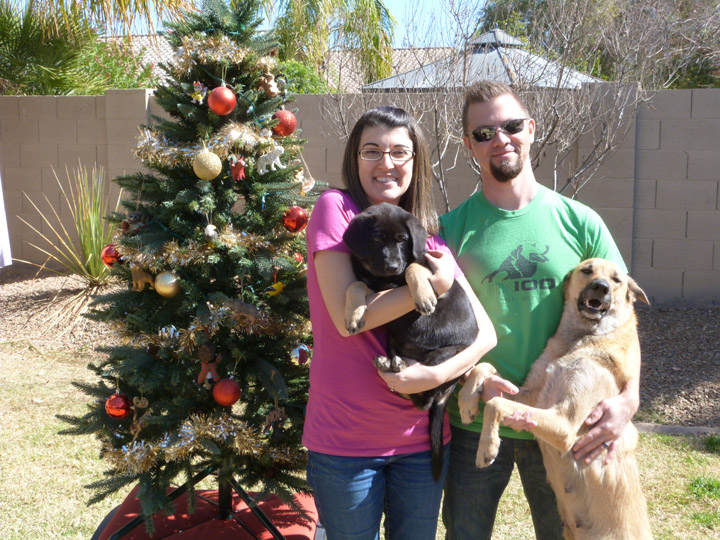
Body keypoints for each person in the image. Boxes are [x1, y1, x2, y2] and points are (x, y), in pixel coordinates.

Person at [439, 81, 639, 540]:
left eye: (511, 126)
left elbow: (624, 319)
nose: (500, 139)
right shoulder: (451, 231)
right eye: (484, 133)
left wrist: (628, 400)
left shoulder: (580, 221)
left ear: (530, 129)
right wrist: (477, 378)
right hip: (478, 419)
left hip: (566, 421)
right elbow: (443, 327)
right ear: (469, 145)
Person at [303, 105, 514, 540]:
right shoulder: (337, 210)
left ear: (415, 161)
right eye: (372, 151)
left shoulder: (428, 239)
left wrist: (434, 374)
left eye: (400, 152)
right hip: (347, 440)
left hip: (420, 439)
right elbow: (350, 321)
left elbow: (486, 332)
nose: (386, 163)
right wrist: (428, 286)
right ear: (354, 158)